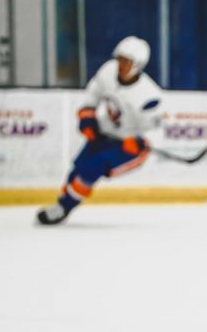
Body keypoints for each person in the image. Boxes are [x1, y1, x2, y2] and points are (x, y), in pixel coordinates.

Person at [36, 36, 162, 225]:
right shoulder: (109, 70)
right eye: (120, 59)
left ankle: (64, 208)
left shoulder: (149, 96)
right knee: (79, 166)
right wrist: (88, 115)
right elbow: (94, 92)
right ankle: (61, 204)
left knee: (91, 169)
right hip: (104, 132)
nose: (121, 65)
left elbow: (157, 130)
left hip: (128, 147)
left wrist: (140, 141)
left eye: (127, 62)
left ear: (138, 65)